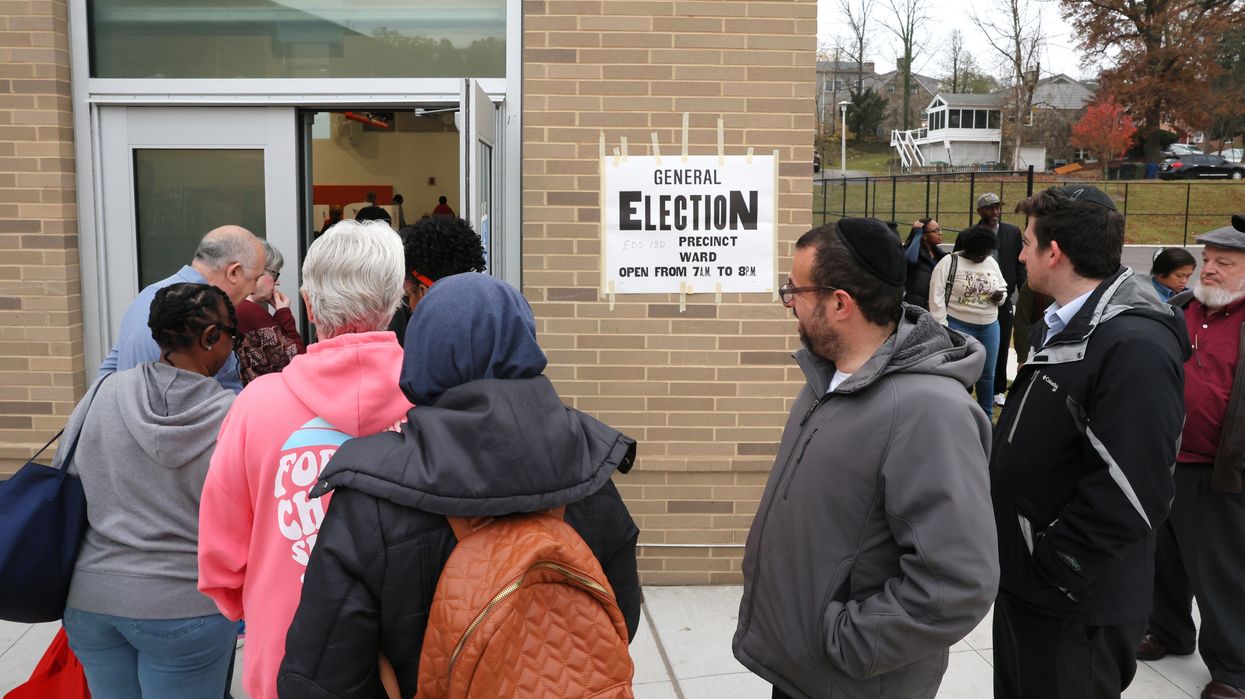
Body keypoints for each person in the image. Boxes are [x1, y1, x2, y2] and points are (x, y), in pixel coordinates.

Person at [276, 273, 641, 698]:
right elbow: (620, 619)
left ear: (421, 356)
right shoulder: (590, 469)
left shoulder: (371, 497)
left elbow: (320, 679)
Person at [732, 218, 998, 699]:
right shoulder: (827, 379)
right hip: (803, 674)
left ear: (840, 303)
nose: (788, 302)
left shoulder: (931, 412)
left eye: (795, 290)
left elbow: (958, 583)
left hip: (851, 682)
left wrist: (844, 642)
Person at [197, 220, 413, 699]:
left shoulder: (255, 406)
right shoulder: (430, 403)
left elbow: (221, 552)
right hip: (407, 658)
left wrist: (258, 603)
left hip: (285, 651)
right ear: (395, 302)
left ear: (309, 305)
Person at [990, 186, 1189, 699]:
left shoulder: (1133, 346)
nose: (1020, 254)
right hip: (1031, 585)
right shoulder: (1065, 325)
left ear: (1053, 252)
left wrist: (1058, 563)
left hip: (1075, 602)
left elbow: (1135, 487)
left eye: (1026, 243)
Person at [60, 283, 239, 698]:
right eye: (233, 336)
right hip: (187, 605)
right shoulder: (234, 417)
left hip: (93, 600)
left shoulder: (101, 393)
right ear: (211, 336)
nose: (234, 348)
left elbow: (66, 479)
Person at [1138, 217, 1245, 699]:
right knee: (1163, 556)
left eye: (1225, 263)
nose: (1210, 269)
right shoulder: (1181, 308)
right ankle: (1168, 631)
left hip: (1222, 469)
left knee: (1221, 571)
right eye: (1207, 260)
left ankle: (1234, 668)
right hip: (1165, 458)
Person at [97, 225, 264, 394]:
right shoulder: (203, 316)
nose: (254, 290)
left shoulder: (148, 296)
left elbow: (108, 373)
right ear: (233, 272)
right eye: (255, 279)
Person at [928, 227, 1008, 415]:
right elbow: (936, 297)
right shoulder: (949, 262)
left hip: (989, 326)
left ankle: (986, 417)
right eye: (979, 253)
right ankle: (958, 415)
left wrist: (1000, 297)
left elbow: (1002, 287)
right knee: (959, 374)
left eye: (986, 253)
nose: (982, 257)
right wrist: (944, 327)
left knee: (987, 375)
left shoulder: (990, 262)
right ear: (969, 248)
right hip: (958, 325)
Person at [957, 192, 1026, 406]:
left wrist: (1022, 291)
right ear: (980, 211)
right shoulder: (967, 235)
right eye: (989, 208)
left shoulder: (1012, 232)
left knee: (1002, 345)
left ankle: (998, 390)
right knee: (969, 347)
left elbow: (1019, 265)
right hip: (973, 301)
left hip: (1002, 299)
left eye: (997, 207)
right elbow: (957, 264)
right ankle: (964, 388)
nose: (995, 211)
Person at [387, 216, 487, 345]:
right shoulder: (490, 317)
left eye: (408, 294)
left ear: (423, 291)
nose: (409, 307)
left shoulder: (421, 339)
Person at [235, 239, 305, 385]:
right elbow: (298, 360)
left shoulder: (237, 306)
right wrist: (284, 314)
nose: (277, 282)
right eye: (275, 274)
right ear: (258, 271)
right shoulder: (249, 311)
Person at [901, 218, 947, 310]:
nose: (940, 233)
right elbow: (911, 259)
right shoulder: (911, 252)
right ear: (924, 236)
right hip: (913, 306)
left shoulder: (939, 255)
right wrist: (917, 233)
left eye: (940, 230)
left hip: (933, 306)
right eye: (936, 231)